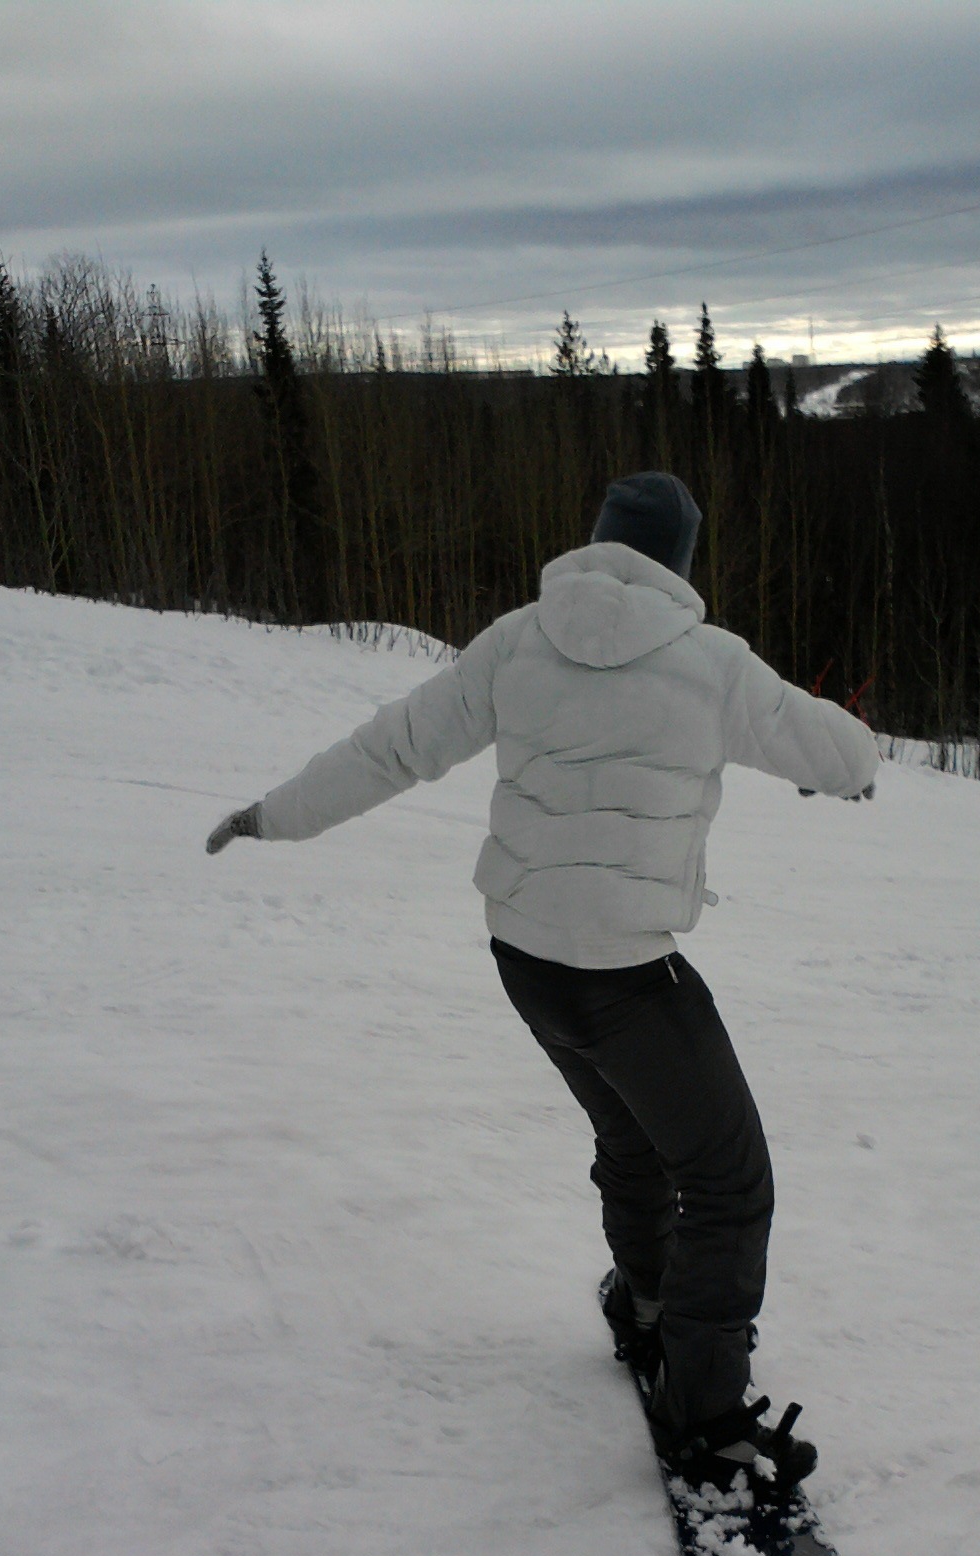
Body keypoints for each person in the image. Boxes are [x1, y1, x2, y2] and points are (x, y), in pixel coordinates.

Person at [207, 472, 880, 1492]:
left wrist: (272, 814)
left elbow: (391, 748)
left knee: (635, 1135)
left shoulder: (518, 640)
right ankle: (707, 1422)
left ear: (599, 543)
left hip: (527, 962)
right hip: (626, 975)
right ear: (677, 563)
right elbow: (838, 751)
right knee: (729, 1181)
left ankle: (647, 1300)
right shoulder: (713, 665)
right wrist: (852, 766)